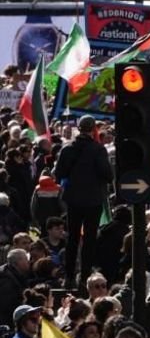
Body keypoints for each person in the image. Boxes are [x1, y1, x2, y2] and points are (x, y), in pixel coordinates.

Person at [53, 115, 114, 290]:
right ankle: (85, 276)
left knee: (72, 237)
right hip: (93, 199)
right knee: (89, 238)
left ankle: (69, 276)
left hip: (73, 199)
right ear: (93, 129)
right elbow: (108, 175)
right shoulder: (98, 149)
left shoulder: (67, 149)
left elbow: (59, 173)